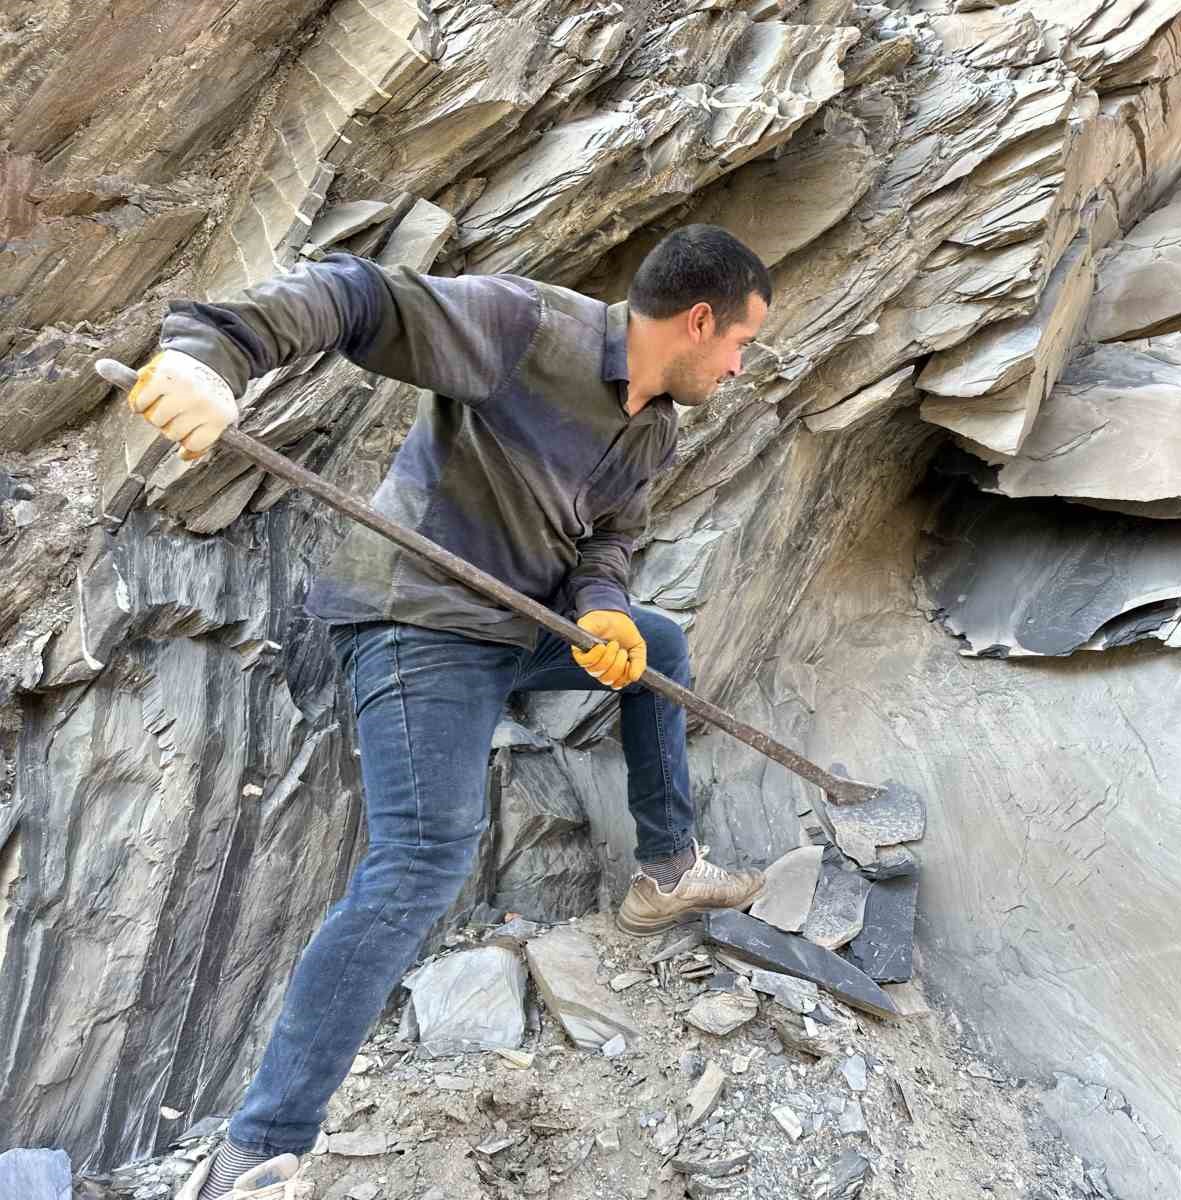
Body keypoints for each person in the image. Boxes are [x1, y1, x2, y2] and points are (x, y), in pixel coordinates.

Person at [125, 224, 774, 1200]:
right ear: (696, 321)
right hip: (412, 615)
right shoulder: (525, 328)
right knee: (425, 857)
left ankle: (665, 872)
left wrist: (602, 612)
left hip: (513, 624)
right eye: (739, 343)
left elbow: (606, 541)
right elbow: (358, 296)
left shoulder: (653, 431)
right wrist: (211, 352)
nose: (738, 364)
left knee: (662, 648)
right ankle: (253, 1153)